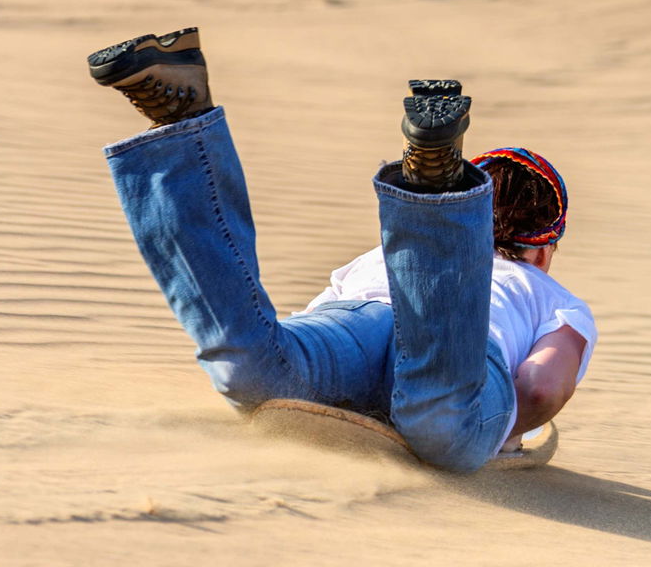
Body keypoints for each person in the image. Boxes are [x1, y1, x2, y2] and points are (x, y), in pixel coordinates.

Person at [88, 27, 596, 473]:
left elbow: (314, 320)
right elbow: (539, 389)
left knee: (256, 367)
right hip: (460, 346)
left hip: (356, 313)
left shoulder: (377, 258)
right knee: (441, 428)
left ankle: (179, 129)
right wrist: (503, 433)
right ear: (544, 247)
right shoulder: (552, 297)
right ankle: (432, 188)